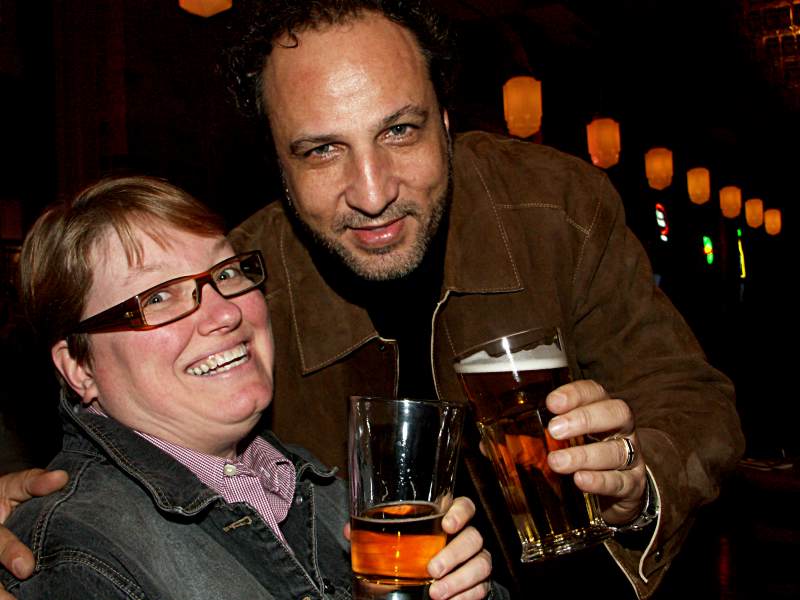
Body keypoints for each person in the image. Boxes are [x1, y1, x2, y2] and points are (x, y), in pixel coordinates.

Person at [0, 1, 744, 598]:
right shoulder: (241, 285)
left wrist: (638, 482)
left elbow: (690, 396)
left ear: (446, 124)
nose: (372, 191)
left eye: (400, 131)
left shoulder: (555, 206)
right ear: (279, 166)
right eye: (321, 150)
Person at [0, 176, 496, 599]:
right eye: (158, 297)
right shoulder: (76, 550)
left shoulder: (314, 487)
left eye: (227, 272)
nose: (225, 312)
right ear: (79, 368)